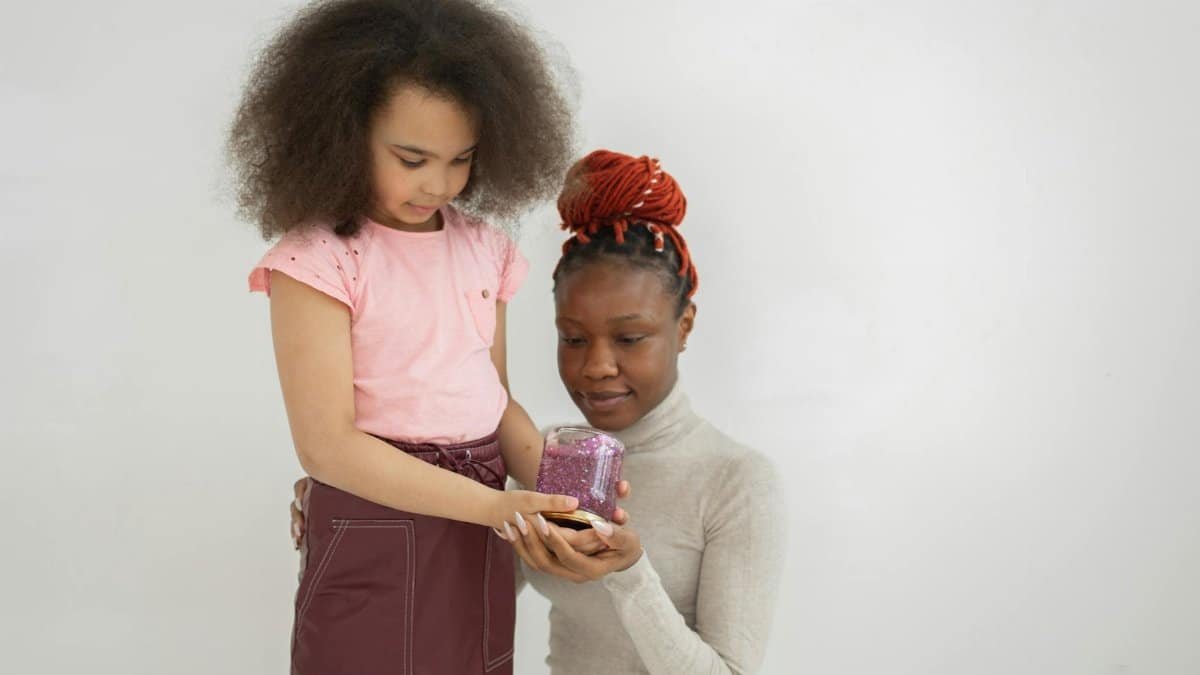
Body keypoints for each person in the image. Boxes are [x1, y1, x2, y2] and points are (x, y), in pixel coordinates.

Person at [292, 149, 787, 674]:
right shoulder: (552, 460)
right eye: (573, 338)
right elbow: (465, 575)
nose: (596, 365)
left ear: (683, 325)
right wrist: (360, 502)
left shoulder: (737, 482)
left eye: (630, 338)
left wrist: (628, 573)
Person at [229, 1, 582, 671]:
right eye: (412, 158)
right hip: (376, 518)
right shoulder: (320, 260)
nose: (439, 184)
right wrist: (498, 505)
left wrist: (566, 498)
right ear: (346, 129)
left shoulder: (484, 249)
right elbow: (328, 446)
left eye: (461, 159)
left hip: (481, 524)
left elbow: (494, 400)